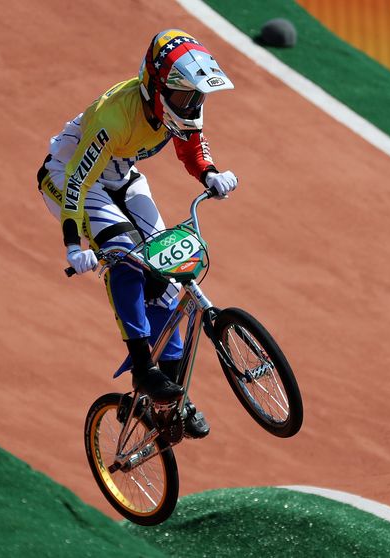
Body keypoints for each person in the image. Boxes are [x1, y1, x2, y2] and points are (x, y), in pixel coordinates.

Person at [36, 29, 238, 439]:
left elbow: (192, 146)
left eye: (196, 96)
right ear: (157, 87)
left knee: (167, 267)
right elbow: (77, 181)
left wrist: (210, 174)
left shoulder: (173, 109)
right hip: (72, 179)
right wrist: (74, 246)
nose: (193, 105)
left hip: (121, 176)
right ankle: (144, 368)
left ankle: (173, 396)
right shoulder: (115, 118)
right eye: (185, 97)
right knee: (124, 253)